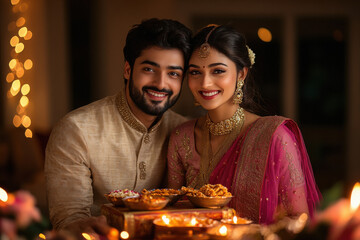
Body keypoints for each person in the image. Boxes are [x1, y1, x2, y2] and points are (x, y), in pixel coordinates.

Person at [45, 18, 192, 233]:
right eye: (149, 69)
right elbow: (69, 219)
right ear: (127, 70)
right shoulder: (76, 129)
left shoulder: (185, 132)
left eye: (173, 74)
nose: (161, 83)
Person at [167, 24, 321, 224]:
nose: (205, 83)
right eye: (195, 72)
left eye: (218, 71)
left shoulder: (274, 136)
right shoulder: (182, 137)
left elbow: (300, 220)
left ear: (241, 74)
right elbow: (171, 213)